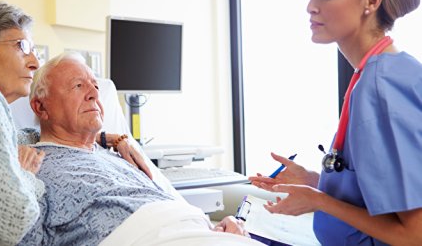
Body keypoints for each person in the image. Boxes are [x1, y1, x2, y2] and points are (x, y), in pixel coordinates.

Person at [0, 2, 150, 246]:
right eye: (22, 47)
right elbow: (9, 226)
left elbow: (21, 138)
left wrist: (103, 137)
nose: (35, 62)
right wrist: (25, 176)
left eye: (34, 51)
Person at [249, 0, 422, 245]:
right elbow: (383, 197)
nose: (310, 6)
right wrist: (313, 181)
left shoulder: (383, 87)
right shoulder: (381, 73)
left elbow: (415, 234)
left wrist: (320, 201)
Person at [18, 52, 259, 246]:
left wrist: (218, 228)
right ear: (40, 107)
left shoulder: (123, 156)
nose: (93, 94)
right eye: (78, 86)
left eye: (95, 87)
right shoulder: (31, 166)